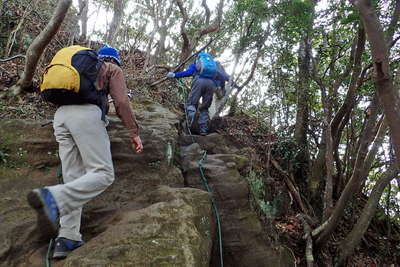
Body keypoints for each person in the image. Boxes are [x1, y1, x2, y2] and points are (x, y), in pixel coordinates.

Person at [27, 44, 143, 259]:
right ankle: (53, 198)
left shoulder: (81, 71)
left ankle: (67, 237)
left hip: (61, 118)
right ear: (114, 60)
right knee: (103, 173)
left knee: (73, 178)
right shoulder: (112, 69)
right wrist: (133, 132)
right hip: (85, 117)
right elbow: (121, 102)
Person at [166, 52, 229, 135]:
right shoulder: (213, 67)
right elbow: (222, 77)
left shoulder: (196, 64)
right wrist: (226, 85)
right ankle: (203, 129)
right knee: (205, 107)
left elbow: (187, 73)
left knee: (192, 103)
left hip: (199, 81)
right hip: (211, 85)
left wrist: (174, 75)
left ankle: (190, 123)